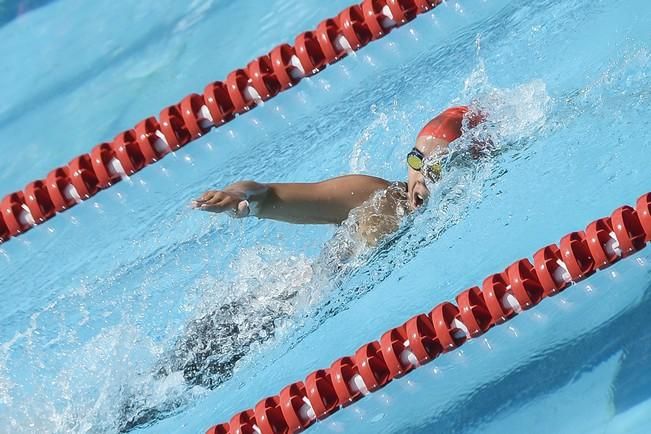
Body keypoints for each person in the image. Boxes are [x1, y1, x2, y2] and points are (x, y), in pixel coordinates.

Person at [192, 106, 483, 245]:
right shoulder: (374, 195)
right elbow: (268, 194)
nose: (419, 177)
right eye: (416, 159)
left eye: (435, 167)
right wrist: (237, 195)